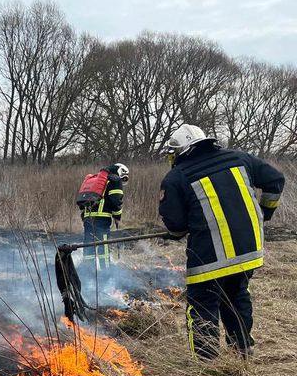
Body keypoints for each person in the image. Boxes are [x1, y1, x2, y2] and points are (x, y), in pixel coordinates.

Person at [158, 123, 285, 360]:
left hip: (208, 257)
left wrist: (176, 232)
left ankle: (207, 365)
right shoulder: (240, 158)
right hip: (248, 250)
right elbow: (276, 180)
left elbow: (176, 226)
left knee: (202, 304)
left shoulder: (177, 177)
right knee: (236, 296)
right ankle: (242, 351)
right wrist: (265, 212)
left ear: (179, 151)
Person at [81, 163, 129, 268]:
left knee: (89, 245)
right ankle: (106, 270)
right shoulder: (115, 180)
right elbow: (116, 200)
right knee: (103, 246)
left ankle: (88, 271)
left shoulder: (97, 180)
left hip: (87, 217)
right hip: (102, 219)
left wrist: (84, 217)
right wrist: (117, 216)